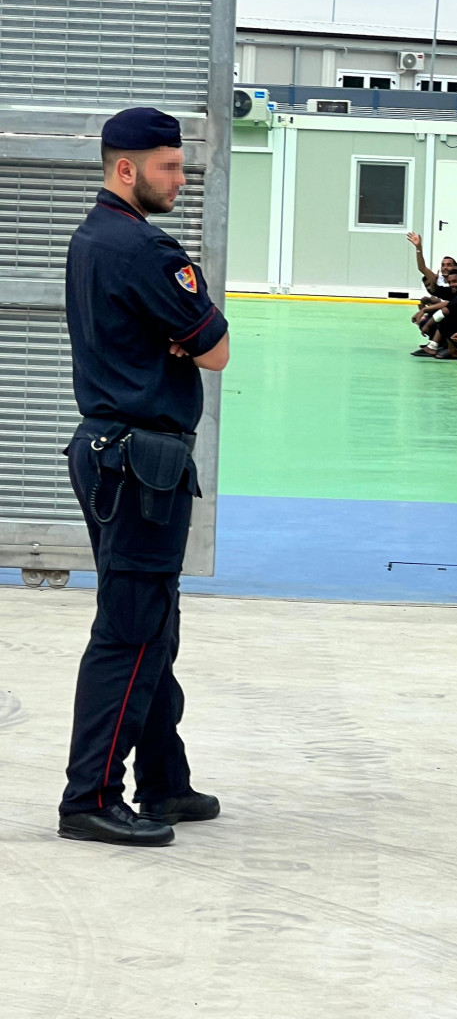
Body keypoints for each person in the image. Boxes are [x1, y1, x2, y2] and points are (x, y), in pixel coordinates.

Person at [57, 106, 230, 848]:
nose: (180, 179)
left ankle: (165, 778)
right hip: (140, 463)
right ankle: (90, 796)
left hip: (106, 452)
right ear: (125, 169)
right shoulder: (144, 251)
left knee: (152, 621)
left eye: (181, 165)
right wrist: (182, 345)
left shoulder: (90, 238)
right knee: (131, 630)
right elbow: (217, 347)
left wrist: (171, 343)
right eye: (168, 167)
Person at [412, 269, 457, 358]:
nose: (451, 285)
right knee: (441, 318)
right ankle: (435, 346)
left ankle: (449, 350)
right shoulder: (456, 289)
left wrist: (427, 324)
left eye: (454, 281)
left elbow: (445, 310)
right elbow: (437, 291)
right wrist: (433, 282)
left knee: (445, 317)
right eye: (449, 282)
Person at [406, 233, 457, 324]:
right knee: (416, 317)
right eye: (443, 265)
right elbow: (422, 268)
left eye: (448, 265)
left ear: (455, 268)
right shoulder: (437, 279)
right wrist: (418, 247)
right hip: (439, 311)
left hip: (451, 313)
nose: (445, 267)